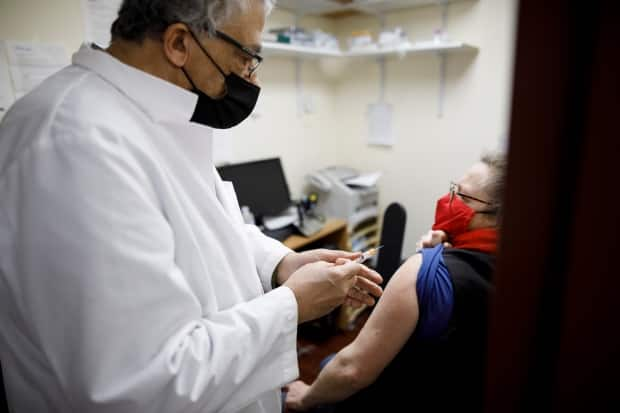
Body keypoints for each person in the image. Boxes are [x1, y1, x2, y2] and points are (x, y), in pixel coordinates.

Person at [0, 1, 383, 412]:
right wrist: (292, 304)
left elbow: (210, 227)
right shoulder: (74, 142)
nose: (252, 78)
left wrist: (280, 264)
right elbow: (141, 384)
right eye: (246, 57)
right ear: (179, 43)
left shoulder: (157, 118)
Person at [285, 152, 507, 412]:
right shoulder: (529, 273)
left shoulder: (421, 271)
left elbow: (351, 370)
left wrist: (305, 397)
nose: (449, 200)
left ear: (497, 215)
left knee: (327, 367)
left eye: (461, 196)